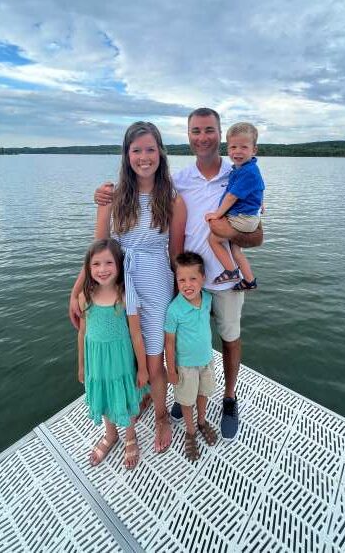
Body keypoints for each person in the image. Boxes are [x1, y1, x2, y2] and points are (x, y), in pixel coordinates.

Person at [95, 108, 262, 441]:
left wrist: (227, 233)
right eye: (196, 131)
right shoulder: (178, 181)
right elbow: (145, 198)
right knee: (184, 343)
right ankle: (180, 394)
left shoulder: (240, 174)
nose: (203, 137)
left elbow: (257, 236)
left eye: (210, 130)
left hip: (226, 279)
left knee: (229, 340)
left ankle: (229, 398)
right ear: (187, 136)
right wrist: (102, 197)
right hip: (185, 280)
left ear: (222, 135)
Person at [70, 122, 186, 453]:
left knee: (153, 360)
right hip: (117, 287)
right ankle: (134, 405)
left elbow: (176, 254)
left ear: (161, 154)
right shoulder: (112, 196)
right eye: (136, 150)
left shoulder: (174, 200)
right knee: (125, 356)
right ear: (126, 154)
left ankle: (162, 416)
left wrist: (182, 299)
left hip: (155, 285)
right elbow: (98, 250)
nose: (144, 157)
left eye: (151, 149)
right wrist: (77, 290)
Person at [77, 238, 149, 469]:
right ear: (89, 268)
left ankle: (130, 435)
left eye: (109, 262)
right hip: (96, 362)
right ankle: (110, 434)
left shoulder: (125, 296)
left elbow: (136, 335)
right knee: (104, 395)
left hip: (121, 362)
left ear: (119, 265)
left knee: (123, 397)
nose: (102, 269)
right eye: (96, 264)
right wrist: (81, 365)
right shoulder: (85, 296)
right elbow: (82, 333)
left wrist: (144, 368)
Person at [165, 252, 218, 461]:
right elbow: (169, 342)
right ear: (176, 281)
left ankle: (202, 422)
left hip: (206, 360)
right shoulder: (174, 310)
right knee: (187, 401)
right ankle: (190, 431)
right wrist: (171, 369)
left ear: (203, 278)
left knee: (204, 393)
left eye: (193, 278)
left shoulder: (208, 298)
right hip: (185, 366)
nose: (187, 284)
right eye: (182, 280)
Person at [205, 122, 264, 290]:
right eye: (233, 147)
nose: (237, 151)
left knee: (213, 239)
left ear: (254, 150)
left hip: (243, 217)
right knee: (236, 251)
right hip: (248, 216)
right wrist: (261, 202)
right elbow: (260, 186)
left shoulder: (247, 171)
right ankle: (249, 281)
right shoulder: (246, 169)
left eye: (244, 147)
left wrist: (216, 214)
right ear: (228, 149)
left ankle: (230, 271)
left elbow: (231, 197)